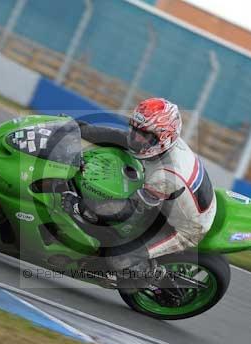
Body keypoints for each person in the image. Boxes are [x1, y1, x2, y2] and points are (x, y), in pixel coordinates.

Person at [62, 98, 217, 287]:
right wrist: (79, 128)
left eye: (143, 135)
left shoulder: (165, 176)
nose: (135, 138)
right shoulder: (161, 142)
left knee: (120, 258)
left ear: (163, 138)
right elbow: (120, 138)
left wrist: (81, 207)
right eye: (134, 129)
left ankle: (152, 276)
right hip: (170, 201)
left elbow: (128, 211)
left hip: (185, 228)